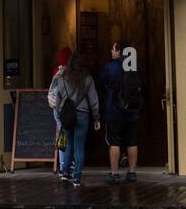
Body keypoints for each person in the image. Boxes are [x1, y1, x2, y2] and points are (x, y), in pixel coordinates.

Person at [48, 55, 100, 187]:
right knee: (79, 147)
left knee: (68, 144)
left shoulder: (62, 78)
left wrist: (59, 115)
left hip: (67, 115)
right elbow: (94, 100)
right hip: (83, 115)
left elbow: (58, 96)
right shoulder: (88, 79)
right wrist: (96, 117)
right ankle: (77, 178)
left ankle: (65, 173)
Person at [99, 40, 142, 184]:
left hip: (114, 110)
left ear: (119, 52)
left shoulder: (110, 67)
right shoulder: (134, 68)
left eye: (113, 49)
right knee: (132, 142)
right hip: (132, 111)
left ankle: (114, 174)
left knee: (114, 142)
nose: (111, 52)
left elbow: (101, 81)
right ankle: (132, 172)